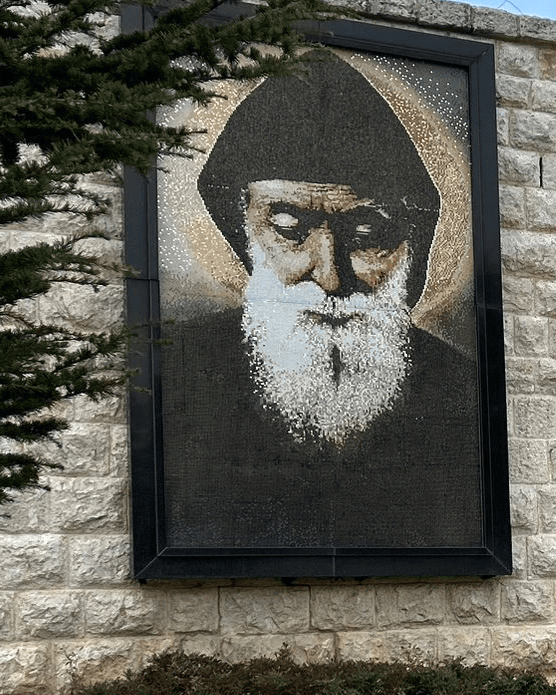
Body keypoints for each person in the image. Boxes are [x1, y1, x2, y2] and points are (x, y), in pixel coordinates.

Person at [159, 49, 483, 549]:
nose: (331, 277)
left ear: (412, 247)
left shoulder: (462, 391)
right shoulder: (175, 373)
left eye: (368, 230)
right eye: (289, 228)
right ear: (243, 233)